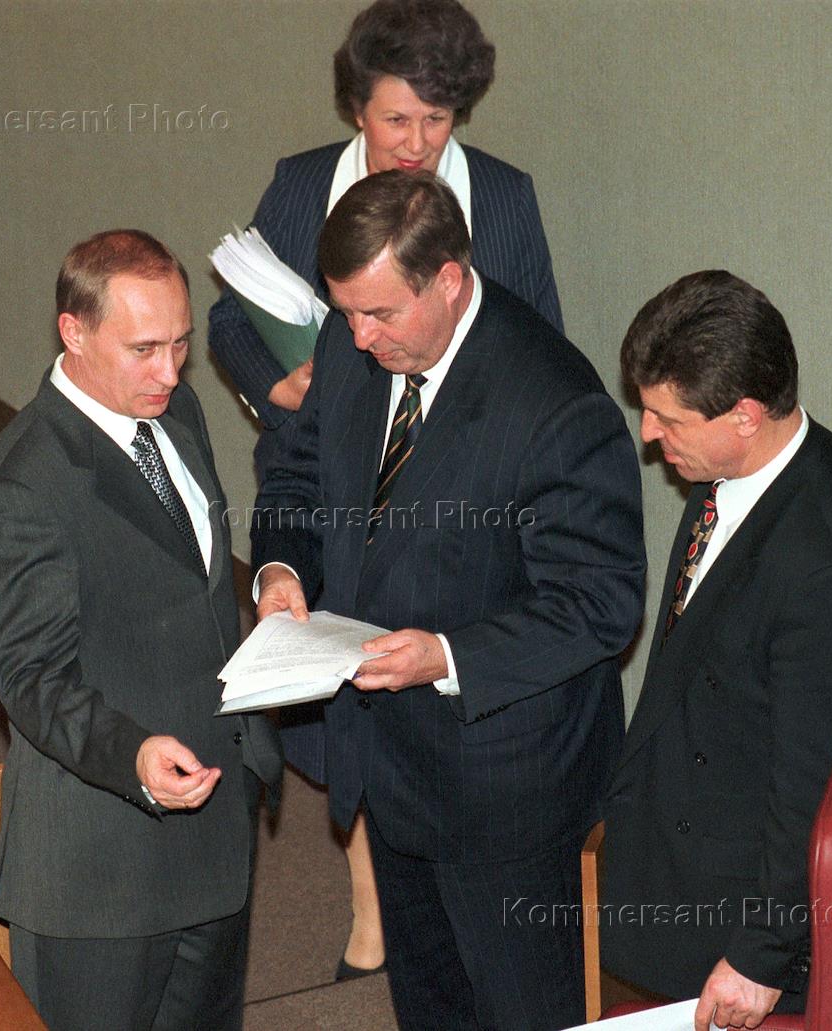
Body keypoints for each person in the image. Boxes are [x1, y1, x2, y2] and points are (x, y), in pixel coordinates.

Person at [209, 0, 563, 979]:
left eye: (436, 120)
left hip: (447, 493)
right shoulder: (301, 185)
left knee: (420, 683)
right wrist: (276, 385)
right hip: (322, 472)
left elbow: (542, 350)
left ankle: (435, 894)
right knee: (339, 694)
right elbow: (232, 318)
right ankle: (371, 909)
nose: (416, 143)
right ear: (356, 106)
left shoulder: (502, 199)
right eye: (395, 119)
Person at [252, 171, 645, 1030]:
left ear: (451, 281)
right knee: (429, 1003)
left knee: (520, 1008)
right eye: (347, 313)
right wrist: (280, 569)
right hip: (389, 764)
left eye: (380, 314)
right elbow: (296, 477)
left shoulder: (554, 403)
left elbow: (601, 600)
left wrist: (448, 655)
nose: (359, 338)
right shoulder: (355, 343)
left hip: (504, 793)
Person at [0, 229, 282, 1031]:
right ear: (74, 332)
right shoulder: (20, 485)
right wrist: (134, 754)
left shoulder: (178, 414)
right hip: (101, 867)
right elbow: (33, 679)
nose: (170, 372)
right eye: (144, 349)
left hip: (214, 823)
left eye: (181, 344)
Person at [601, 270, 832, 1031]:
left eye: (667, 417)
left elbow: (809, 789)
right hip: (685, 841)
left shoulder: (826, 573)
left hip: (735, 921)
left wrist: (759, 959)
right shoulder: (742, 472)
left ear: (744, 414)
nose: (648, 434)